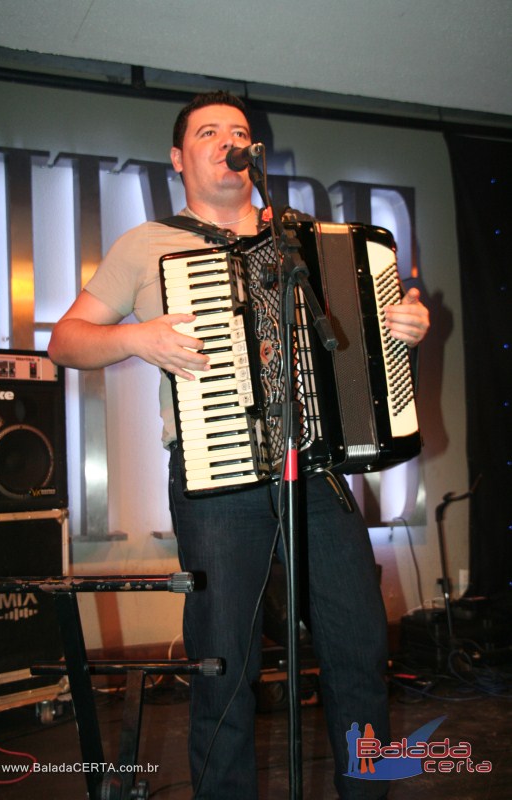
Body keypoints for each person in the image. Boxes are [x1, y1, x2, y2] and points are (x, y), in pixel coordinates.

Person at [48, 90, 430, 800]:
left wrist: (403, 321)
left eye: (240, 132)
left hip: (315, 473)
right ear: (178, 157)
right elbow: (65, 340)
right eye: (208, 131)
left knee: (358, 648)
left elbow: (366, 335)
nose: (229, 140)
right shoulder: (147, 244)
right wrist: (139, 338)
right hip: (216, 482)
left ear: (254, 154)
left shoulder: (304, 241)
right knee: (224, 664)